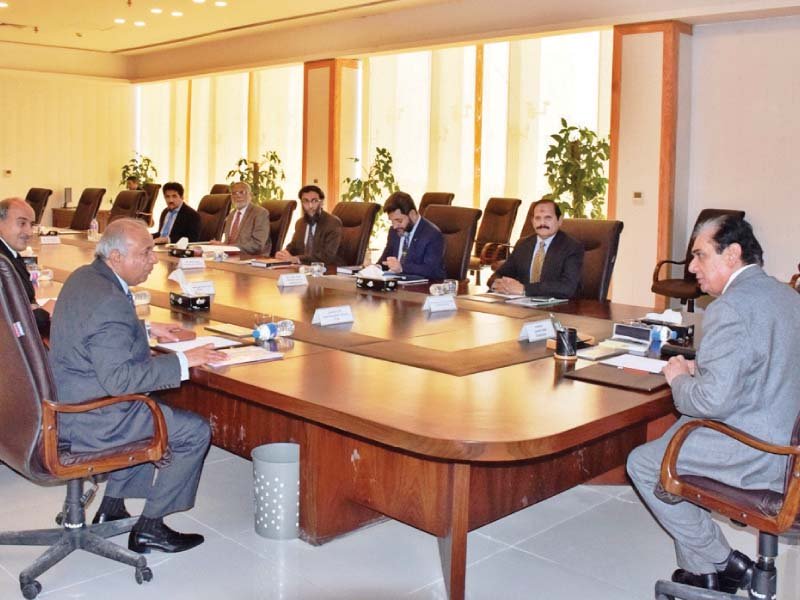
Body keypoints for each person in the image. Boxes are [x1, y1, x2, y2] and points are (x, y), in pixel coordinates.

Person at [627, 215, 800, 594]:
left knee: (643, 463)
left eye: (700, 255)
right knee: (677, 436)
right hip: (786, 439)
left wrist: (679, 378)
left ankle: (726, 563)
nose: (691, 267)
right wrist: (702, 366)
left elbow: (709, 401)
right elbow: (765, 364)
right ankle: (703, 575)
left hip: (759, 452)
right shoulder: (788, 295)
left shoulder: (730, 307)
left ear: (733, 254)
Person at [49, 218, 227, 554]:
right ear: (116, 257)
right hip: (93, 417)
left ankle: (112, 507)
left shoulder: (86, 278)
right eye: (145, 252)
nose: (154, 259)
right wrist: (184, 361)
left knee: (148, 409)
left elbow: (99, 334)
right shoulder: (109, 300)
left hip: (68, 401)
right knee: (193, 431)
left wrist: (145, 329)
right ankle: (151, 527)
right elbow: (120, 380)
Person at [489, 198, 583, 298]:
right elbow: (500, 273)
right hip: (521, 305)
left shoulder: (571, 247)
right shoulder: (523, 244)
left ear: (559, 220)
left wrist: (525, 289)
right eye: (537, 218)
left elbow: (567, 287)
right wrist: (497, 284)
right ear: (532, 221)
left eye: (548, 218)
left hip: (557, 307)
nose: (542, 223)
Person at [0, 197, 54, 337]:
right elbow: (14, 318)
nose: (29, 232)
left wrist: (33, 307)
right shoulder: (2, 262)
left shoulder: (11, 255)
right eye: (22, 223)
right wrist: (44, 313)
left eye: (31, 225)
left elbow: (26, 300)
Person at [376, 191, 446, 280]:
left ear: (412, 214)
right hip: (396, 286)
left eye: (399, 221)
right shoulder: (394, 232)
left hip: (421, 289)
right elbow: (386, 260)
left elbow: (432, 270)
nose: (394, 226)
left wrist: (402, 268)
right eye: (392, 221)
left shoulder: (432, 234)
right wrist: (375, 267)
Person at [275, 185, 342, 265]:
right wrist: (283, 254)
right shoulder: (300, 223)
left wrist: (297, 259)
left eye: (314, 201)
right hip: (304, 269)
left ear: (321, 202)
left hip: (329, 270)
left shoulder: (333, 223)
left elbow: (327, 255)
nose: (310, 206)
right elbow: (293, 246)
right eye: (306, 201)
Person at [215, 181, 270, 255]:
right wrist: (219, 245)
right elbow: (229, 242)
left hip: (252, 259)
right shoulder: (231, 215)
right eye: (234, 193)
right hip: (231, 258)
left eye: (242, 192)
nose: (238, 196)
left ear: (250, 195)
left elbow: (257, 245)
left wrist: (227, 247)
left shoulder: (260, 213)